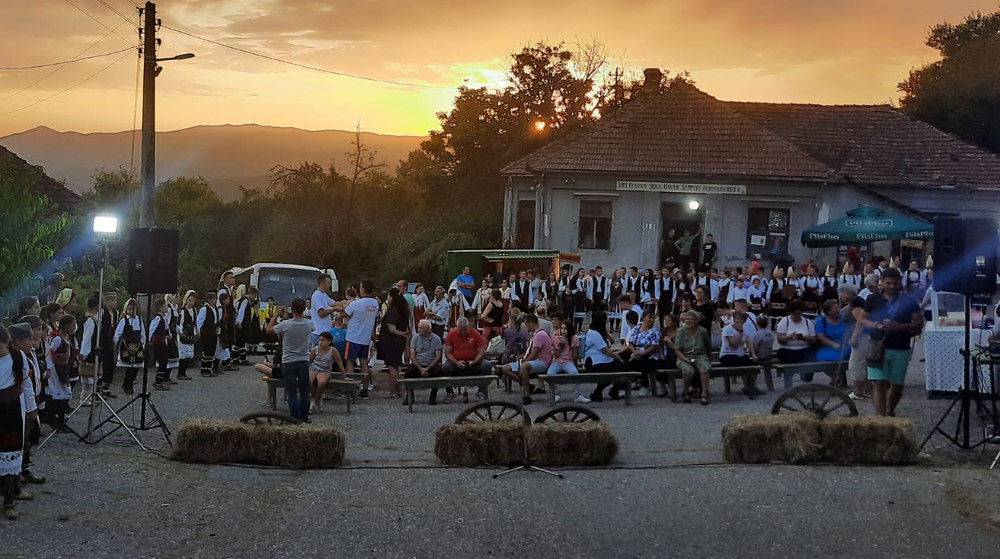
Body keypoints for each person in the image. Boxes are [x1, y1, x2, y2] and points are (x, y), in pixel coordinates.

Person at [857, 268, 924, 417]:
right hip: (877, 345)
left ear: (900, 282)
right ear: (882, 282)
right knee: (879, 383)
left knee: (897, 385)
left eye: (895, 283)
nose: (892, 286)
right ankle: (880, 418)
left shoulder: (909, 300)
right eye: (889, 283)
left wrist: (899, 326)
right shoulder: (872, 299)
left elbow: (919, 323)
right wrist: (875, 325)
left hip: (900, 346)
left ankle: (889, 410)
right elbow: (862, 319)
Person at [1, 325, 40, 520]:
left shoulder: (17, 358)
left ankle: (9, 502)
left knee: (10, 454)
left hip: (12, 411)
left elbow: (26, 384)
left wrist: (32, 410)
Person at [266, 298, 313, 422]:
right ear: (304, 309)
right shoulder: (309, 323)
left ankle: (295, 417)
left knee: (291, 391)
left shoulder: (285, 324)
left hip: (289, 360)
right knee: (304, 390)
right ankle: (305, 417)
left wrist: (276, 314)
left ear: (292, 309)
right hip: (303, 359)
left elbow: (268, 329)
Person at [499, 314, 552, 405]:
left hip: (542, 361)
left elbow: (534, 354)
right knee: (505, 368)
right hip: (534, 360)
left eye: (526, 324)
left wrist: (524, 360)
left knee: (523, 367)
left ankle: (526, 394)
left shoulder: (540, 335)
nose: (525, 326)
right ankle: (528, 385)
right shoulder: (534, 334)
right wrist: (520, 357)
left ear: (531, 323)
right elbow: (530, 352)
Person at [341, 280, 380, 399]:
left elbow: (344, 314)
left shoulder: (356, 304)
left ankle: (350, 388)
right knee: (364, 363)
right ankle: (365, 389)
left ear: (362, 289)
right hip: (366, 337)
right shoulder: (375, 303)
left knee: (350, 362)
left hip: (353, 337)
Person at [45, 315, 78, 431]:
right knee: (61, 393)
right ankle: (54, 418)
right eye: (72, 324)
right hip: (56, 369)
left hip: (63, 368)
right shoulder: (58, 339)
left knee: (64, 393)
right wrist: (49, 369)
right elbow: (49, 354)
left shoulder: (66, 337)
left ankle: (59, 418)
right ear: (66, 325)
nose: (74, 327)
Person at [546, 318, 589, 404]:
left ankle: (577, 395)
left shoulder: (574, 338)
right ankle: (556, 394)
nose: (563, 330)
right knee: (550, 374)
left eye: (565, 328)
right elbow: (556, 355)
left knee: (574, 373)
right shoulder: (556, 337)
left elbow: (575, 354)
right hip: (557, 361)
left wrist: (576, 361)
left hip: (568, 361)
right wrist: (559, 345)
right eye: (562, 328)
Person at [674, 310, 713, 405]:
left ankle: (704, 394)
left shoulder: (702, 331)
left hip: (699, 355)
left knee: (705, 368)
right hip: (684, 356)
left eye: (691, 319)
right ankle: (686, 391)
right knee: (688, 371)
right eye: (686, 319)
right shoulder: (680, 331)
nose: (688, 321)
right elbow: (677, 349)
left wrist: (708, 358)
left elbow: (708, 346)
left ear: (696, 320)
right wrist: (684, 358)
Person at [403, 320, 445, 405]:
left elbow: (438, 356)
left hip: (431, 364)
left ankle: (433, 396)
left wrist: (428, 368)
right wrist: (420, 368)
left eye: (421, 328)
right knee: (408, 372)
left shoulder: (436, 339)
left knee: (439, 372)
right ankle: (410, 396)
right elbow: (413, 355)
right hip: (418, 364)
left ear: (427, 330)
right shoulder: (415, 338)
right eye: (418, 327)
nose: (418, 329)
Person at [379, 288, 411, 399]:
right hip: (399, 342)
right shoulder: (403, 310)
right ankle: (399, 391)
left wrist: (401, 333)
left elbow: (391, 329)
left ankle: (393, 391)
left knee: (392, 366)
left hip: (392, 341)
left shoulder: (393, 311)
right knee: (397, 366)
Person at [624, 310, 662, 397]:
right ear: (643, 317)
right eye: (649, 317)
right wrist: (634, 352)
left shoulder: (655, 331)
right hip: (637, 353)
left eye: (653, 318)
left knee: (642, 363)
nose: (651, 320)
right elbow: (630, 343)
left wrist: (643, 353)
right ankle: (623, 386)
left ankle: (645, 384)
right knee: (628, 363)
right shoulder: (637, 328)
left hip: (650, 355)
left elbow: (654, 346)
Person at [113, 298, 146, 395]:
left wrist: (144, 343)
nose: (131, 311)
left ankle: (131, 383)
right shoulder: (124, 320)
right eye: (129, 309)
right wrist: (115, 343)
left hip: (137, 345)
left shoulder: (139, 320)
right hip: (127, 345)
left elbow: (142, 332)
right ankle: (126, 384)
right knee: (129, 366)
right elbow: (118, 332)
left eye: (133, 309)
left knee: (136, 365)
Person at [308, 331, 345, 413]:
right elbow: (309, 361)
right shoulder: (315, 349)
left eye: (323, 340)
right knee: (308, 380)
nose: (321, 342)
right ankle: (315, 397)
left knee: (321, 382)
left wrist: (345, 376)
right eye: (320, 340)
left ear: (329, 341)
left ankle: (315, 402)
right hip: (314, 367)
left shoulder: (333, 350)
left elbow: (340, 363)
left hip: (325, 369)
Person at [775, 299, 816, 369]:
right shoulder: (785, 321)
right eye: (795, 314)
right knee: (784, 355)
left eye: (799, 314)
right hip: (788, 349)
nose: (797, 316)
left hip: (804, 349)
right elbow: (779, 339)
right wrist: (789, 337)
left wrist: (804, 337)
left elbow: (814, 340)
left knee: (811, 357)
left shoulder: (808, 322)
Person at [147, 299, 176, 391]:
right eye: (165, 306)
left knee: (164, 361)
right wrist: (148, 341)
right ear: (160, 308)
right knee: (162, 362)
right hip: (158, 344)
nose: (167, 308)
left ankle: (160, 380)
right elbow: (151, 330)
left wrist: (168, 335)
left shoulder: (163, 318)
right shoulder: (158, 318)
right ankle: (158, 381)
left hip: (163, 343)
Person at [235, 287, 262, 366]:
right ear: (251, 293)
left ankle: (239, 358)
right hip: (243, 323)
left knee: (241, 342)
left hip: (244, 323)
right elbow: (241, 311)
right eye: (254, 295)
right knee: (240, 341)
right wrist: (239, 322)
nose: (254, 297)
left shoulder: (243, 300)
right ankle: (238, 359)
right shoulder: (245, 300)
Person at [198, 291, 221, 377]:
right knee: (207, 351)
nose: (215, 300)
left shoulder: (215, 309)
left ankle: (209, 368)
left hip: (213, 332)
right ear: (209, 300)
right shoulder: (204, 309)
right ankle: (204, 369)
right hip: (206, 333)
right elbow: (199, 321)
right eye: (213, 299)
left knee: (212, 351)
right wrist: (199, 331)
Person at [176, 290, 198, 381]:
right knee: (183, 354)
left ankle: (184, 372)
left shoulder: (194, 310)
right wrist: (181, 333)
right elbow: (179, 323)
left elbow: (195, 322)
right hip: (184, 334)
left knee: (189, 354)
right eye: (190, 301)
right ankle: (180, 373)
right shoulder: (183, 311)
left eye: (193, 301)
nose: (191, 303)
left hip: (190, 333)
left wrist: (196, 332)